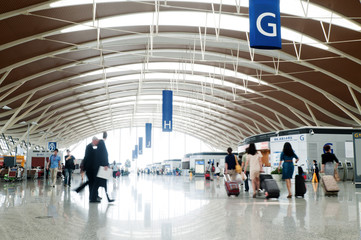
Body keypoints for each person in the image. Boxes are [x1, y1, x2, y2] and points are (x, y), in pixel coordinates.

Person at [96, 131, 114, 202]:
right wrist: (106, 164)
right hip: (102, 167)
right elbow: (103, 155)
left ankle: (105, 197)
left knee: (100, 183)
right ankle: (106, 198)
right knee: (101, 183)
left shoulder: (101, 143)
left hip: (102, 166)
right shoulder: (102, 143)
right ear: (106, 136)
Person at [82, 136, 100, 202]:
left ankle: (94, 196)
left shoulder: (91, 147)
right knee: (92, 183)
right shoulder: (89, 147)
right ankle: (92, 198)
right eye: (97, 142)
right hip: (90, 169)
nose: (97, 143)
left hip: (92, 168)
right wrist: (84, 167)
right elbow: (87, 157)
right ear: (94, 141)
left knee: (93, 183)